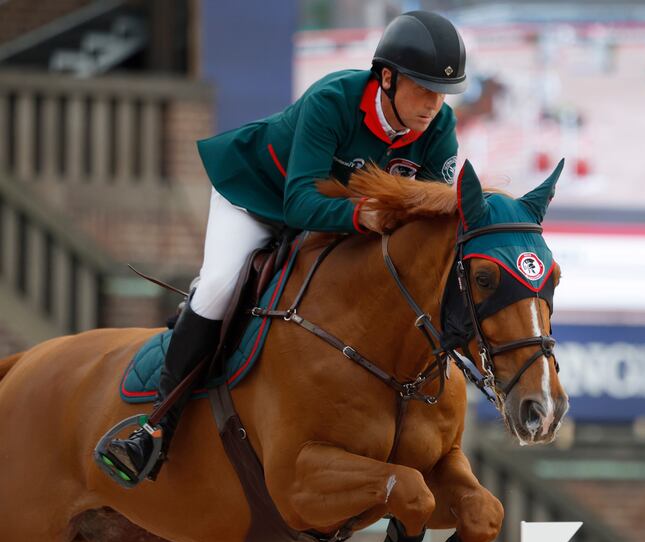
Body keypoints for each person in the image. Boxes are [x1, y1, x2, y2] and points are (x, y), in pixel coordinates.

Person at [101, 10, 468, 483]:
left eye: (441, 93)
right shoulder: (333, 100)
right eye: (422, 88)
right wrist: (361, 216)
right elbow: (297, 202)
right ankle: (154, 429)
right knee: (217, 286)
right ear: (387, 78)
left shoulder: (440, 129)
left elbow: (429, 216)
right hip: (258, 197)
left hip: (337, 220)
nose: (432, 104)